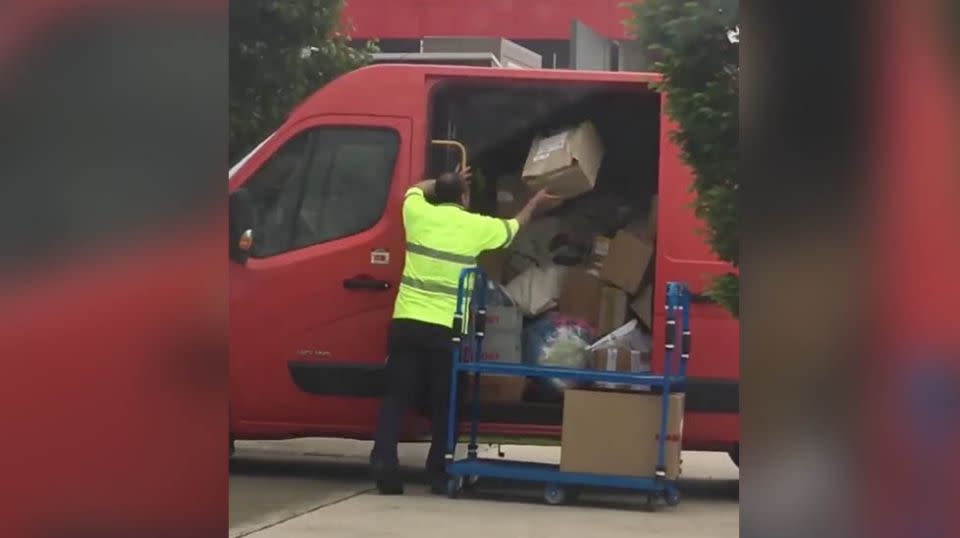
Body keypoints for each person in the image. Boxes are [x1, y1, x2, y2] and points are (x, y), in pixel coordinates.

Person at [370, 167, 557, 495]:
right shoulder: (475, 226)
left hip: (406, 323)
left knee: (395, 398)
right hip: (443, 329)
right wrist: (536, 202)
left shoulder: (417, 213)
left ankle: (384, 463)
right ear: (464, 199)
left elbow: (414, 189)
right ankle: (438, 471)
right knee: (447, 401)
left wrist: (445, 179)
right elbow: (513, 228)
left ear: (437, 195)